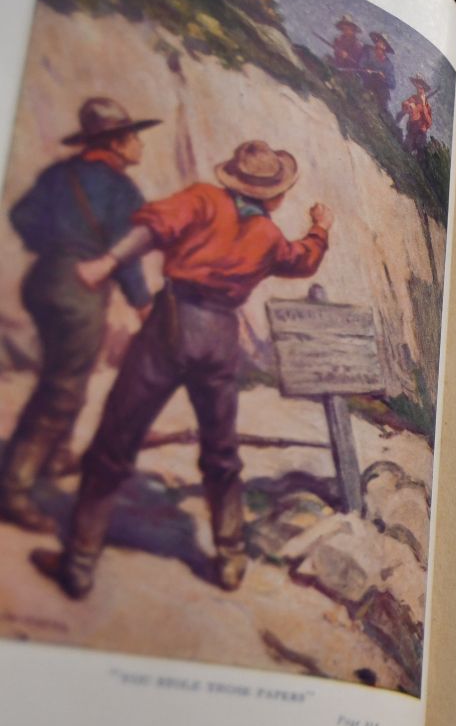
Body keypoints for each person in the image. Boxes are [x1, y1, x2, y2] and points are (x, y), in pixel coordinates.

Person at [32, 140, 333, 599]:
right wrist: (320, 229)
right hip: (219, 336)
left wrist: (106, 263)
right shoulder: (268, 236)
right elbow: (303, 259)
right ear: (273, 196)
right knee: (221, 450)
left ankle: (78, 563)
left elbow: (152, 229)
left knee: (116, 437)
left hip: (172, 324)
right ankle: (231, 558)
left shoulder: (203, 199)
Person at [2, 97, 159, 534]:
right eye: (134, 138)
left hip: (44, 280)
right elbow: (125, 257)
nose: (140, 146)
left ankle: (54, 458)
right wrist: (142, 304)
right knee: (63, 388)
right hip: (80, 291)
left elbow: (21, 215)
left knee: (64, 372)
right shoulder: (122, 190)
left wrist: (57, 249)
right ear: (117, 143)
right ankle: (13, 489)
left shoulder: (59, 174)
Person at [358, 31, 396, 116]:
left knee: (383, 93)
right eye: (378, 41)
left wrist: (384, 77)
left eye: (382, 43)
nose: (379, 44)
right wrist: (366, 70)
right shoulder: (368, 51)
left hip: (378, 89)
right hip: (364, 80)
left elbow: (392, 84)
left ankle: (383, 113)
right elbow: (361, 63)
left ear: (385, 48)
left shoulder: (388, 65)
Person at [398, 75, 432, 154]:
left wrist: (423, 106)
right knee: (405, 148)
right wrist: (408, 106)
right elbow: (404, 105)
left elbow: (429, 123)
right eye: (417, 87)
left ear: (424, 89)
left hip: (420, 135)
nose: (419, 90)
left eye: (421, 88)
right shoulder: (413, 98)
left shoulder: (427, 105)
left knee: (417, 152)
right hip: (411, 130)